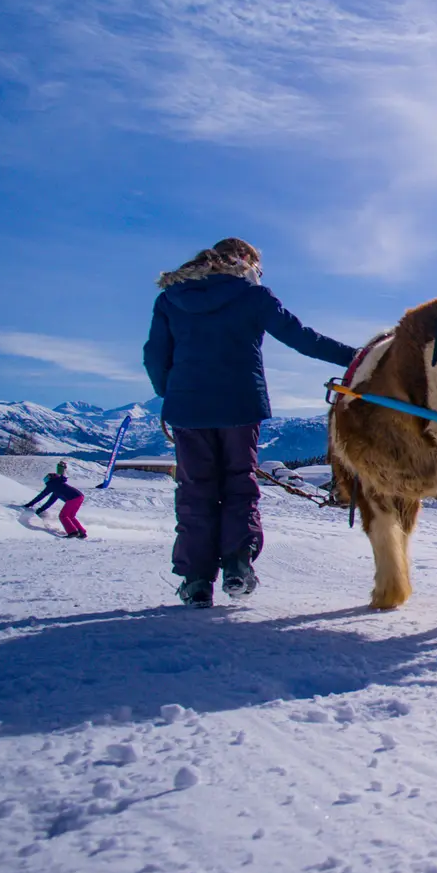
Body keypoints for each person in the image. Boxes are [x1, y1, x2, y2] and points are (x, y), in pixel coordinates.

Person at [143, 238, 357, 608]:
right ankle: (238, 567)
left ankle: (196, 582)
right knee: (240, 485)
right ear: (244, 261)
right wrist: (359, 358)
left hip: (188, 410)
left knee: (195, 490)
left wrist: (171, 392)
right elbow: (303, 339)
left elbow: (154, 355)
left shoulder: (170, 299)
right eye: (258, 266)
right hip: (239, 405)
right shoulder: (252, 296)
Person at [21, 460, 87, 538]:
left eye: (46, 479)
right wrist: (41, 509)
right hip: (79, 497)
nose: (46, 482)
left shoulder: (52, 485)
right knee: (70, 516)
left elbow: (41, 496)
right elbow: (50, 501)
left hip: (73, 498)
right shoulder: (58, 487)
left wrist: (29, 505)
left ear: (50, 480)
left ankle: (72, 532)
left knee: (63, 516)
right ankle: (81, 532)